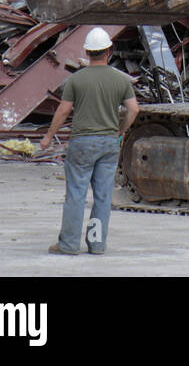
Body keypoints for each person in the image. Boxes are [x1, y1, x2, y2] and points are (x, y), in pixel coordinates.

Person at [39, 27, 139, 255]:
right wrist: (121, 132)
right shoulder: (120, 80)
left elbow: (64, 111)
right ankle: (97, 244)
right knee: (103, 196)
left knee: (76, 193)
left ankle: (69, 244)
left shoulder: (76, 80)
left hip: (82, 142)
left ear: (87, 51)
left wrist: (47, 137)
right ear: (109, 51)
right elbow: (133, 109)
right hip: (108, 143)